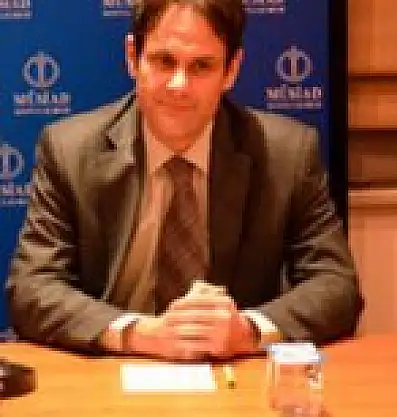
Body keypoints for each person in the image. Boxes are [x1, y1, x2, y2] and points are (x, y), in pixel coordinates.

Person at [6, 0, 362, 361]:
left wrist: (248, 331)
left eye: (201, 66)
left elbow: (336, 286)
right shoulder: (69, 151)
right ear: (132, 57)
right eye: (164, 61)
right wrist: (138, 334)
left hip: (235, 375)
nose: (179, 85)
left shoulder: (287, 154)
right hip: (113, 370)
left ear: (232, 70)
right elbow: (32, 287)